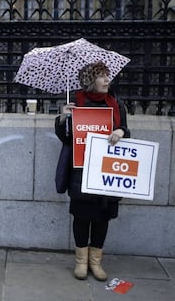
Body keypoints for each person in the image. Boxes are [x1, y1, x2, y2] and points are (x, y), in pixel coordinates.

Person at [55, 61, 130, 281]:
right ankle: (80, 262)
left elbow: (126, 130)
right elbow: (66, 138)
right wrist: (63, 118)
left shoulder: (115, 103)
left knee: (102, 217)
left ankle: (95, 262)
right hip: (81, 169)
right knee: (82, 216)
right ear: (90, 80)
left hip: (107, 169)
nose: (108, 80)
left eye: (108, 76)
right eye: (102, 76)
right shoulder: (76, 103)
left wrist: (120, 131)